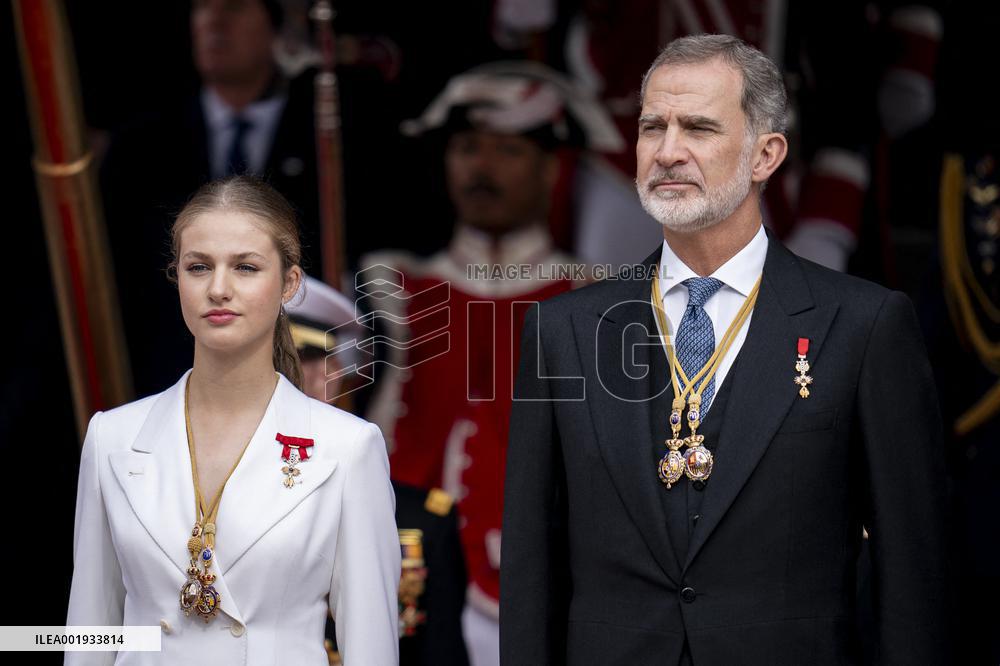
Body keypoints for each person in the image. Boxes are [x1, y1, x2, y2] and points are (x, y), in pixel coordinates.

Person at [500, 35, 949, 665]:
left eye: (699, 128)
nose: (667, 151)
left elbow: (913, 576)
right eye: (652, 126)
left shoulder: (865, 325)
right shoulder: (562, 331)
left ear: (766, 155)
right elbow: (530, 566)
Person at [66, 177, 400, 665]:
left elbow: (370, 647)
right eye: (198, 267)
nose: (218, 289)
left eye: (245, 267)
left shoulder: (347, 447)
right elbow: (90, 630)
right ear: (176, 276)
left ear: (289, 283)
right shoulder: (112, 436)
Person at [362, 61, 621, 666]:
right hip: (408, 587)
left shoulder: (601, 299)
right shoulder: (389, 289)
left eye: (507, 150)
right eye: (467, 148)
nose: (482, 167)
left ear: (551, 168)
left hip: (556, 591)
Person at [285, 275, 470, 665]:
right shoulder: (194, 495)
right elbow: (134, 629)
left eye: (305, 361)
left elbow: (442, 655)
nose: (291, 379)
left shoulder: (423, 518)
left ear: (332, 375)